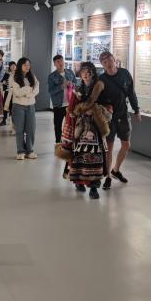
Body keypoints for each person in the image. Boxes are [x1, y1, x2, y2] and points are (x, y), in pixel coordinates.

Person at [58, 61, 110, 199]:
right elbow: (72, 108)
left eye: (88, 72)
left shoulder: (100, 88)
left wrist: (95, 110)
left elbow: (108, 106)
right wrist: (76, 112)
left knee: (96, 155)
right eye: (83, 72)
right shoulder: (78, 88)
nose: (85, 75)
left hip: (96, 126)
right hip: (80, 125)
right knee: (77, 154)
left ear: (92, 73)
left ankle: (94, 187)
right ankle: (78, 181)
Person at [98, 50, 140, 190]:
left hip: (123, 115)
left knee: (126, 145)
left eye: (109, 60)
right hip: (109, 118)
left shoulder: (124, 73)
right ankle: (108, 177)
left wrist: (136, 110)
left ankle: (116, 170)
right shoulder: (101, 79)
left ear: (114, 59)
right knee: (108, 149)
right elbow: (97, 100)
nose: (108, 64)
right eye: (104, 62)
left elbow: (131, 93)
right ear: (102, 65)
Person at [9, 57, 39, 160]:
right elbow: (17, 92)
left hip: (31, 106)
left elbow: (37, 89)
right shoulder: (14, 77)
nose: (27, 67)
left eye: (29, 65)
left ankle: (30, 151)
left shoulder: (32, 76)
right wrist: (28, 89)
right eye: (25, 65)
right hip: (18, 106)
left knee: (31, 129)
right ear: (20, 65)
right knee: (19, 130)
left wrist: (28, 93)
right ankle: (20, 151)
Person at [48, 54, 76, 144]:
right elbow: (51, 91)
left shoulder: (70, 72)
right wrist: (62, 86)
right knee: (58, 125)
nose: (60, 63)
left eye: (61, 61)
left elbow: (76, 84)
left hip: (70, 104)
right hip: (58, 105)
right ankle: (58, 143)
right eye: (58, 62)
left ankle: (71, 142)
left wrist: (72, 84)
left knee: (72, 125)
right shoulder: (52, 76)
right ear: (54, 64)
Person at [1, 61, 17, 133]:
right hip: (8, 92)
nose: (13, 67)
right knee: (5, 106)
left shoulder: (18, 74)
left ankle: (12, 122)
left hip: (15, 93)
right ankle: (4, 120)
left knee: (13, 107)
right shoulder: (7, 74)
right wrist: (4, 82)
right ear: (9, 67)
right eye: (12, 65)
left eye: (14, 65)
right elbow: (2, 81)